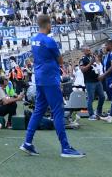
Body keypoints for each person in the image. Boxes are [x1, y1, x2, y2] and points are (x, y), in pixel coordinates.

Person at [20, 14, 84, 158]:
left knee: (38, 111)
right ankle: (65, 148)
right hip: (50, 78)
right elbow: (60, 60)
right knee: (58, 111)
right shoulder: (49, 41)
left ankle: (27, 142)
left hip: (40, 79)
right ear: (48, 24)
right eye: (51, 25)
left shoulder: (34, 39)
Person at [78, 46, 104, 120]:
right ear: (84, 51)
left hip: (97, 80)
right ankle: (91, 114)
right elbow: (83, 70)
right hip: (89, 82)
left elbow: (98, 66)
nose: (89, 51)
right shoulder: (83, 59)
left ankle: (99, 112)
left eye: (89, 50)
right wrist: (90, 63)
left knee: (102, 96)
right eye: (87, 50)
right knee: (91, 98)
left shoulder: (93, 57)